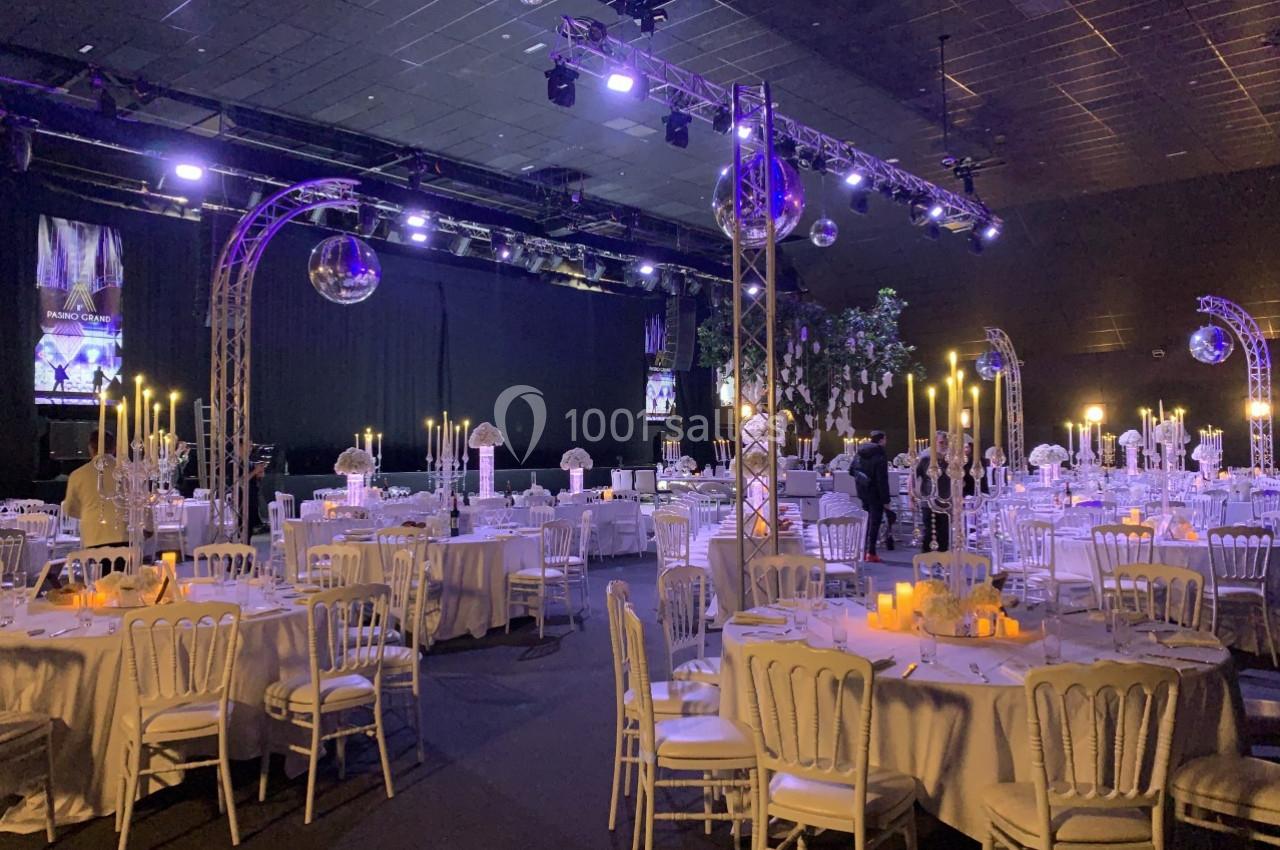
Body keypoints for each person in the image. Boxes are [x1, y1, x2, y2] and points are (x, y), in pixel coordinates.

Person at [63, 428, 127, 548]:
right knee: (126, 567)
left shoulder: (78, 474)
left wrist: (88, 513)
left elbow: (69, 508)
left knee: (97, 567)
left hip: (93, 535)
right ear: (114, 448)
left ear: (90, 448)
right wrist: (148, 528)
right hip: (125, 534)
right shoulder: (129, 472)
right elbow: (141, 500)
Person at [853, 430, 891, 562]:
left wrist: (863, 479)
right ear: (881, 440)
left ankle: (862, 551)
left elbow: (851, 470)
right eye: (885, 439)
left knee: (866, 521)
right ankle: (871, 552)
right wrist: (886, 499)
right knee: (874, 523)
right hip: (876, 494)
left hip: (863, 491)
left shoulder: (860, 452)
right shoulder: (880, 454)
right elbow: (882, 478)